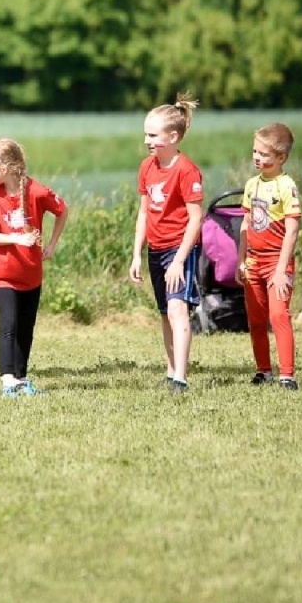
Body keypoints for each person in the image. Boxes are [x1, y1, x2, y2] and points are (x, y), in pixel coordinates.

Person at [0, 138, 68, 397]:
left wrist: (51, 244)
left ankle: (21, 378)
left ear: (5, 168)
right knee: (9, 325)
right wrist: (15, 238)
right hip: (3, 274)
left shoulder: (37, 191)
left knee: (26, 328)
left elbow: (62, 211)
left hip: (31, 274)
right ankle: (7, 381)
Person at [128, 93, 205, 394]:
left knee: (177, 311)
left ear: (173, 136)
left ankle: (181, 378)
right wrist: (136, 254)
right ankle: (171, 370)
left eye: (153, 135)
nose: (147, 140)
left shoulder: (187, 170)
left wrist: (178, 261)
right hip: (155, 249)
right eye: (145, 133)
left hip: (179, 250)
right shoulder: (147, 167)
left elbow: (196, 219)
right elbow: (144, 213)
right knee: (163, 313)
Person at [238, 123, 302, 389]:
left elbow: (292, 230)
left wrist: (280, 268)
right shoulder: (251, 185)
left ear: (281, 158)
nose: (257, 158)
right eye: (255, 152)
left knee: (278, 316)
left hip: (277, 262)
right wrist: (240, 260)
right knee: (255, 319)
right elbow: (245, 223)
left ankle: (287, 374)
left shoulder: (286, 186)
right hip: (253, 261)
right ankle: (263, 370)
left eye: (264, 154)